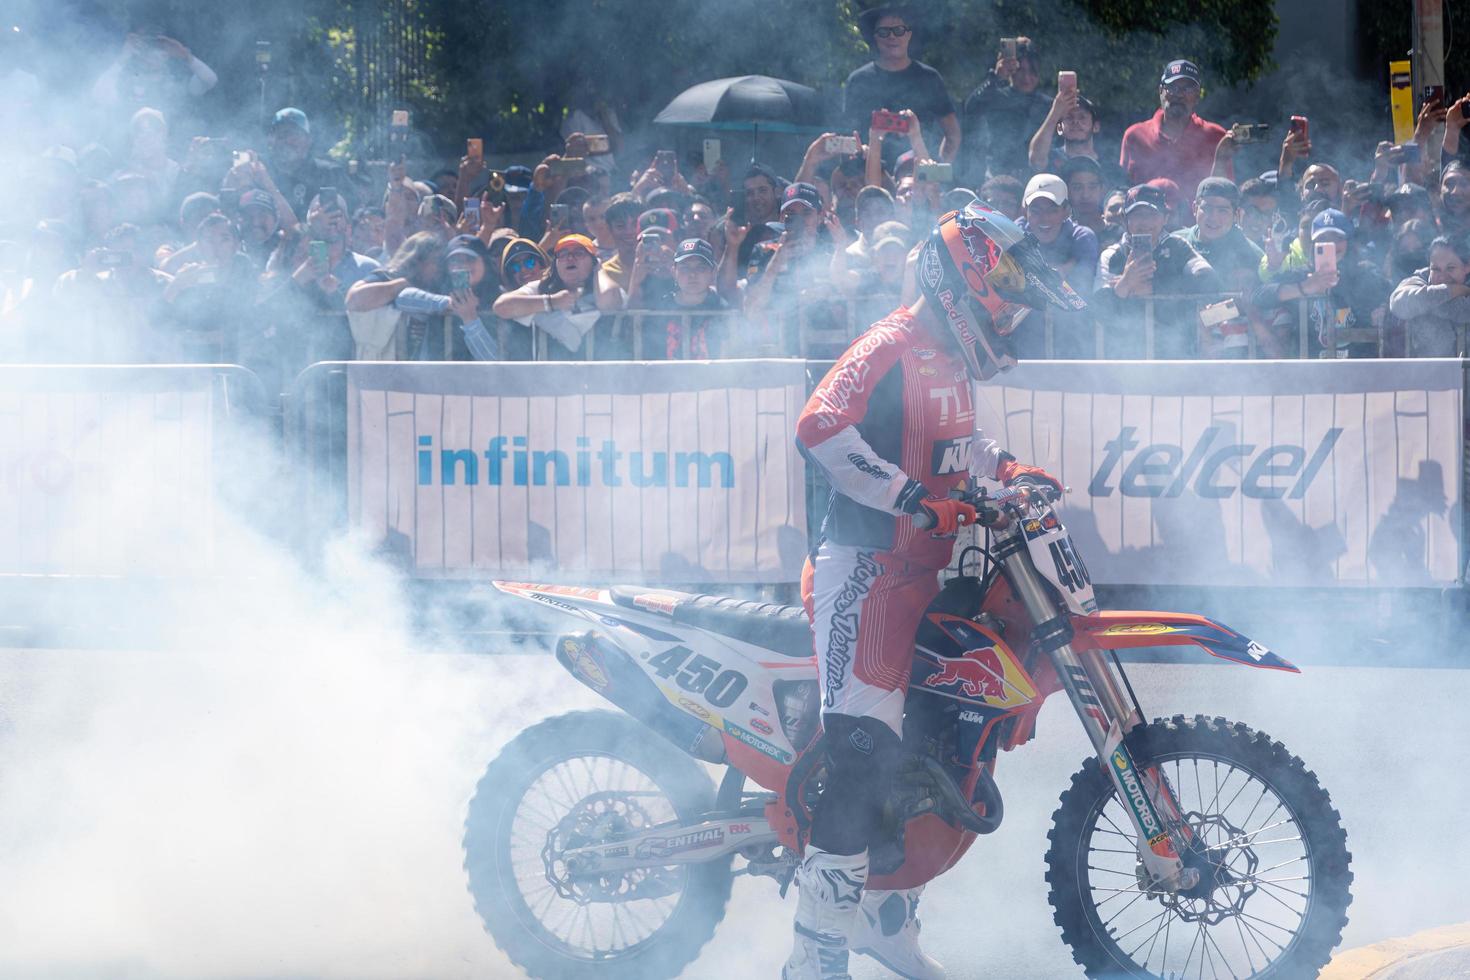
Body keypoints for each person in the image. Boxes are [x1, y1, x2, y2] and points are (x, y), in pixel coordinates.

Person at [786, 203, 1080, 980]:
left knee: (934, 751)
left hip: (935, 571)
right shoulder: (889, 343)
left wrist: (1008, 469)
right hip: (868, 571)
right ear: (966, 274)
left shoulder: (948, 358)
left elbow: (961, 442)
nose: (1013, 311)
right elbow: (818, 427)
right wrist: (914, 499)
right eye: (1007, 292)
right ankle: (810, 957)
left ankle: (884, 923)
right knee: (865, 756)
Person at [1095, 183, 1220, 358]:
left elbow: (1208, 280)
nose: (1144, 222)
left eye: (1152, 215)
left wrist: (1154, 289)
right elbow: (1098, 309)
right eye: (1137, 215)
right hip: (1126, 356)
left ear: (1165, 218)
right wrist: (1126, 283)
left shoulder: (1177, 247)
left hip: (1176, 353)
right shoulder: (1112, 255)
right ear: (1124, 219)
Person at [1251, 208, 1390, 358]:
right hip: (1312, 371)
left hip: (1358, 369)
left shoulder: (1366, 273)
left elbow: (1392, 301)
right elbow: (1258, 296)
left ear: (1349, 242)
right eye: (1322, 239)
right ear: (1313, 244)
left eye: (1337, 238)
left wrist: (1384, 313)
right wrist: (1305, 287)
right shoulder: (1302, 274)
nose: (1330, 243)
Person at [841, 6, 960, 165]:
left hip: (917, 177)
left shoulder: (929, 78)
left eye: (898, 30)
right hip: (870, 175)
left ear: (909, 34)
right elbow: (846, 136)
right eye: (884, 32)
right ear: (875, 37)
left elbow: (953, 134)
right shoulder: (858, 80)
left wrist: (937, 172)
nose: (892, 37)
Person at [1172, 177, 1264, 357]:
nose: (1213, 217)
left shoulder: (1251, 253)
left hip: (1233, 350)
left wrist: (1208, 317)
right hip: (1175, 342)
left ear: (1236, 215)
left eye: (1222, 210)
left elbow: (1251, 301)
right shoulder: (1175, 244)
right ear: (1194, 208)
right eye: (1206, 208)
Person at [493, 233, 620, 359]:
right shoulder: (540, 288)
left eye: (578, 253)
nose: (570, 259)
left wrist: (598, 268)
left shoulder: (602, 285)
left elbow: (609, 303)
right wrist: (551, 302)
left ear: (593, 260)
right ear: (556, 263)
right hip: (549, 376)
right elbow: (501, 307)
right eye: (563, 254)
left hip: (600, 374)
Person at [1014, 173, 1098, 357]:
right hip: (1025, 346)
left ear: (1066, 211)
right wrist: (1065, 268)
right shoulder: (1015, 235)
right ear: (1024, 211)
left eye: (1052, 210)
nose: (1044, 218)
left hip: (1072, 346)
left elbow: (1080, 289)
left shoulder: (1082, 237)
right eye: (1035, 210)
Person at [1119, 60, 1230, 198]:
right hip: (1145, 219)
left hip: (1200, 220)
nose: (1179, 94)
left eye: (1188, 89)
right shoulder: (1135, 136)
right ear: (1160, 91)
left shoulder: (1215, 136)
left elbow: (1226, 194)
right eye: (1172, 87)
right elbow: (1123, 189)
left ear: (1197, 95)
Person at [961, 36, 1052, 182]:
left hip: (1036, 180)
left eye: (1032, 71)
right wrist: (996, 77)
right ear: (1011, 69)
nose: (1027, 77)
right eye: (1021, 70)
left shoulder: (1049, 105)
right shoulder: (995, 96)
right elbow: (971, 108)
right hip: (998, 177)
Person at [263, 108, 351, 221]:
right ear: (271, 141)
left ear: (308, 140)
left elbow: (354, 216)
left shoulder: (330, 173)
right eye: (280, 135)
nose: (287, 141)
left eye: (293, 135)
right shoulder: (259, 172)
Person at [1388, 234, 1470, 356]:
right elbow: (1399, 304)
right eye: (1436, 269)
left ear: (1467, 268)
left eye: (1450, 268)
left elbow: (1465, 310)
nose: (1442, 276)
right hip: (1429, 372)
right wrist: (1452, 291)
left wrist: (1426, 303)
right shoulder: (1420, 279)